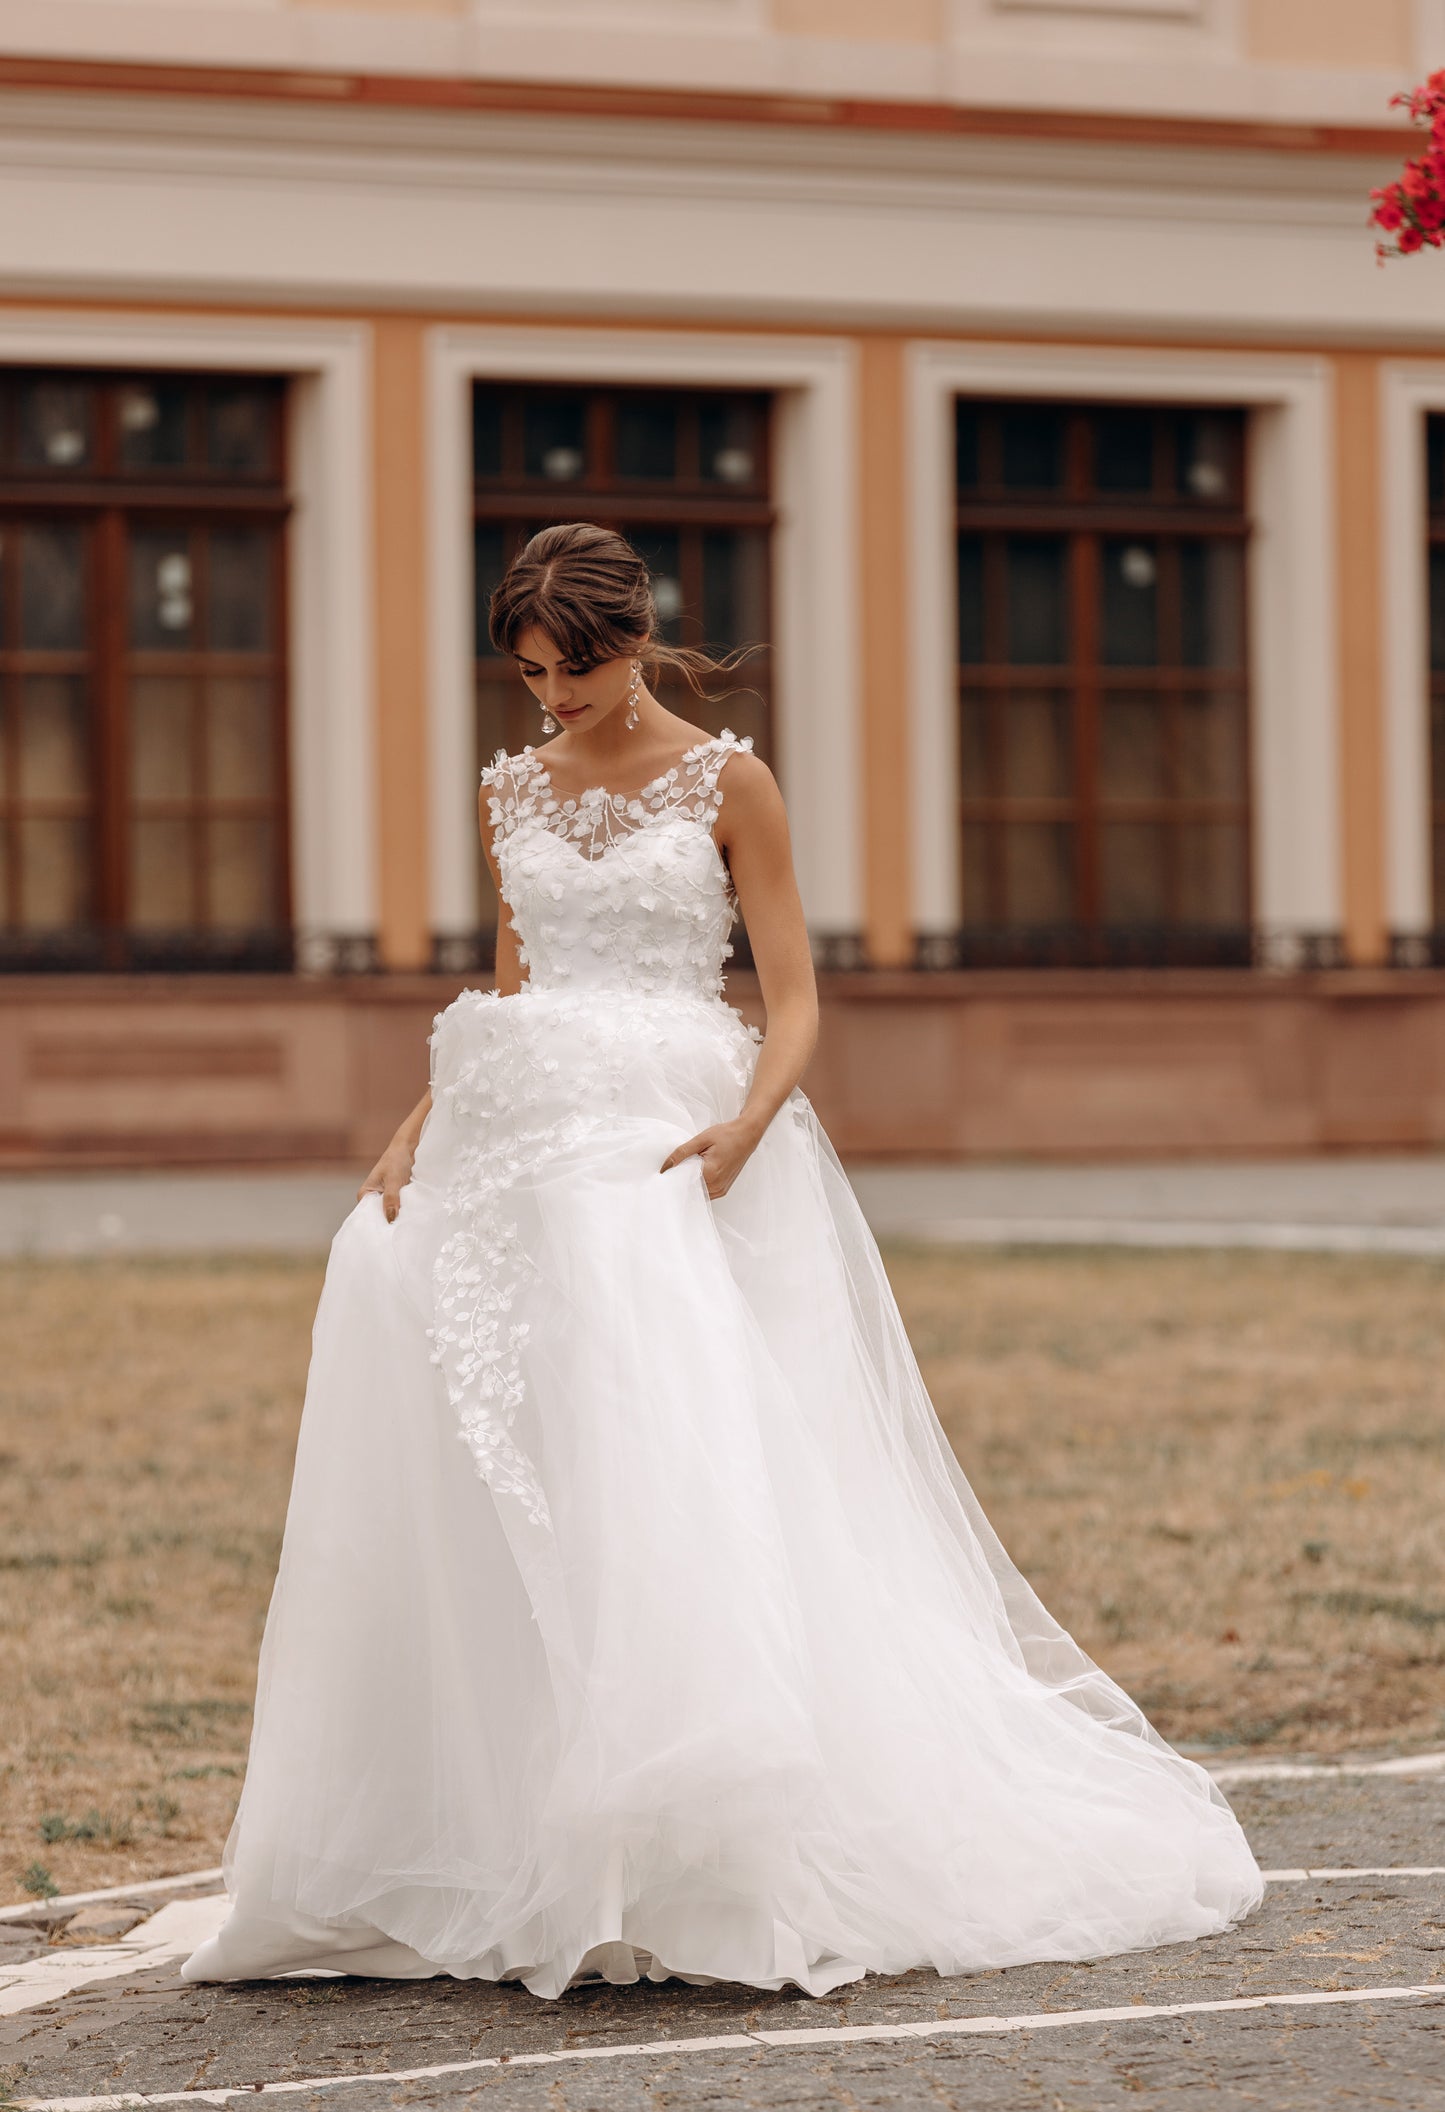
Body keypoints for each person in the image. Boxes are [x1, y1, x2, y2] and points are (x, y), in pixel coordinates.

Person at [183, 521, 1263, 2001]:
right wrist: (415, 1124)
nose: (546, 701)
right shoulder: (509, 786)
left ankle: (685, 1841)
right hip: (520, 1124)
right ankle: (501, 1813)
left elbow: (796, 992)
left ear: (633, 644)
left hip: (671, 1131)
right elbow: (513, 986)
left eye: (569, 672)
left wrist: (755, 1114)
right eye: (527, 674)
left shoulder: (726, 779)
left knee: (653, 1438)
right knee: (414, 1333)